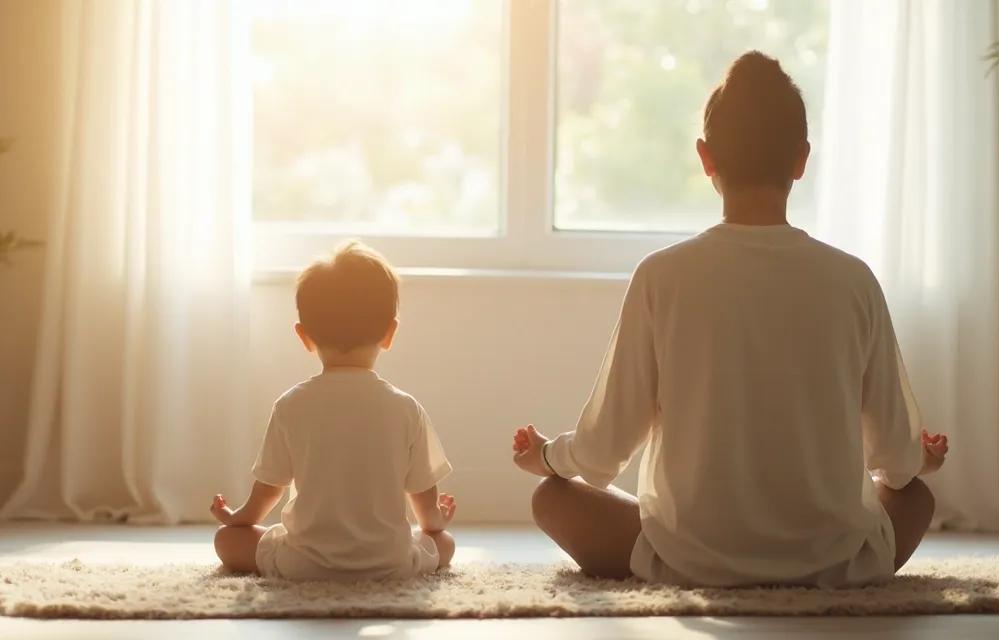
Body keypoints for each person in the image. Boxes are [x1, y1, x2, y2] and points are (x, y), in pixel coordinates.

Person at [510, 51, 949, 587]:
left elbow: (603, 447)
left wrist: (549, 458)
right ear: (802, 160)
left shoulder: (661, 276)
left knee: (550, 499)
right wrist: (918, 461)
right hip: (834, 561)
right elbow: (897, 464)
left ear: (706, 157)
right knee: (917, 499)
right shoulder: (854, 280)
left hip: (689, 559)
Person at [210, 241, 457, 580]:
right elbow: (424, 497)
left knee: (227, 540)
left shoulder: (291, 405)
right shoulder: (406, 409)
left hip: (303, 564)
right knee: (443, 543)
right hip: (389, 563)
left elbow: (269, 489)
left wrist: (238, 517)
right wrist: (435, 523)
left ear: (304, 336)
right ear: (390, 332)